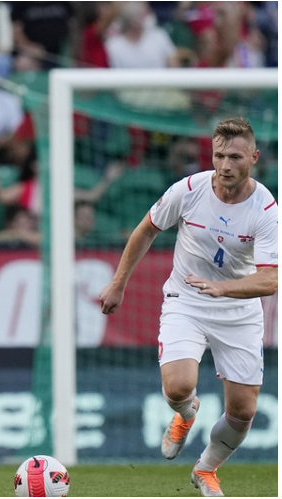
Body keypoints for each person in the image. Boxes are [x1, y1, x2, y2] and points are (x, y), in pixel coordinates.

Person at [98, 117, 278, 498]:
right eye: (218, 156)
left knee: (243, 412)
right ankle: (186, 414)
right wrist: (118, 284)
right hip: (187, 300)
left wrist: (223, 288)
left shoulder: (266, 209)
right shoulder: (190, 189)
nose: (225, 165)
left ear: (253, 157)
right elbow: (146, 228)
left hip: (238, 309)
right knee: (178, 387)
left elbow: (270, 279)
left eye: (234, 156)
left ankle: (205, 469)